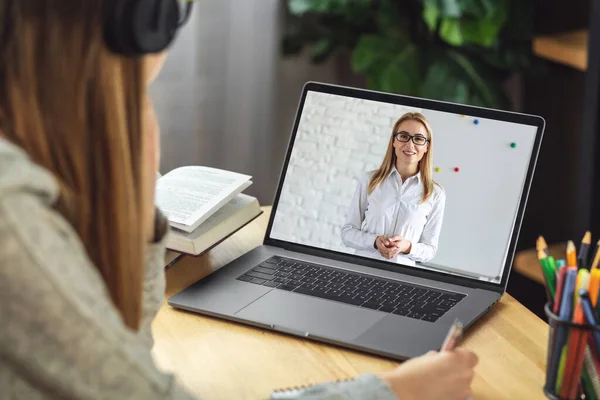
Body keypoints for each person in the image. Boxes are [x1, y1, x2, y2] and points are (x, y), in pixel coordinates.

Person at [0, 2, 476, 399]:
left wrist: (136, 191)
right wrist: (394, 392)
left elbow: (124, 346)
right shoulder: (12, 214)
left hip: (407, 282)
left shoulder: (36, 152)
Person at [341, 112, 446, 266]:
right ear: (394, 141)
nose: (410, 145)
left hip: (401, 277)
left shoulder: (435, 194)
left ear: (427, 147)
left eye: (418, 139)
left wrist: (407, 247)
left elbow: (430, 249)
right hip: (363, 269)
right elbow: (347, 233)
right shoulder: (370, 180)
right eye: (403, 136)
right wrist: (374, 242)